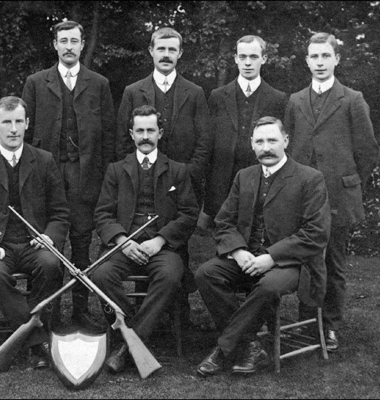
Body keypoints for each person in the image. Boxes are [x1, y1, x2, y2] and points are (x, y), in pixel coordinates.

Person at [194, 117, 330, 376]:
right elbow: (224, 221)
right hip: (247, 256)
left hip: (293, 263)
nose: (266, 147)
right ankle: (251, 345)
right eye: (260, 141)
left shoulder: (310, 178)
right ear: (252, 145)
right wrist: (237, 250)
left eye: (272, 140)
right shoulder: (244, 176)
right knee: (206, 273)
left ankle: (223, 349)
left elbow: (316, 232)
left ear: (286, 141)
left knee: (268, 286)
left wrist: (271, 256)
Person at [0, 96, 70, 369]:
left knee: (52, 265)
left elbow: (60, 212)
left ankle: (29, 337)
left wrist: (49, 237)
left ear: (27, 123)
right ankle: (39, 340)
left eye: (19, 121)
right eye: (7, 122)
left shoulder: (44, 160)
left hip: (34, 245)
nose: (13, 129)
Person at [284, 32, 380, 352]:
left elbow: (367, 151)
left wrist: (349, 182)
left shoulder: (352, 98)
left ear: (337, 59)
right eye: (315, 57)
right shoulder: (296, 100)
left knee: (334, 263)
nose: (320, 63)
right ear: (307, 61)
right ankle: (306, 322)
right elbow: (290, 150)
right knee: (307, 260)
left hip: (339, 196)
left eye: (326, 56)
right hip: (303, 197)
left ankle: (331, 325)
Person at [22, 20, 115, 329]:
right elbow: (26, 134)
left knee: (81, 246)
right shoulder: (36, 82)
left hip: (84, 176)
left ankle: (79, 309)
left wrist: (102, 179)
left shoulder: (98, 83)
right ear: (55, 45)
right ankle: (47, 313)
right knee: (49, 246)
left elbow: (109, 138)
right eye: (64, 41)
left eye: (74, 41)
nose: (69, 47)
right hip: (47, 176)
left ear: (82, 44)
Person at [91, 105, 198, 373]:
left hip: (162, 248)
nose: (146, 136)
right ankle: (138, 332)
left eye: (151, 130)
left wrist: (160, 240)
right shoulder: (116, 170)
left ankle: (128, 342)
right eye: (140, 130)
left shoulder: (178, 170)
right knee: (100, 275)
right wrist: (123, 241)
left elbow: (188, 214)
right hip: (123, 246)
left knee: (172, 275)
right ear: (131, 133)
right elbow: (102, 213)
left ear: (160, 133)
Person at [114, 27, 208, 322]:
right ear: (151, 52)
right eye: (161, 49)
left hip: (181, 182)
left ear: (180, 54)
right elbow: (121, 141)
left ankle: (179, 313)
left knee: (177, 247)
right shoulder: (133, 91)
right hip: (141, 178)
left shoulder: (194, 93)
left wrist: (184, 175)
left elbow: (204, 142)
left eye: (172, 50)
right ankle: (140, 316)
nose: (166, 55)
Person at [197, 35, 287, 229]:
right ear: (236, 59)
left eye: (253, 57)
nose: (247, 62)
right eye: (243, 56)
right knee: (222, 241)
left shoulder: (278, 99)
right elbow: (207, 141)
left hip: (260, 181)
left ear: (263, 59)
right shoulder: (218, 96)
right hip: (222, 182)